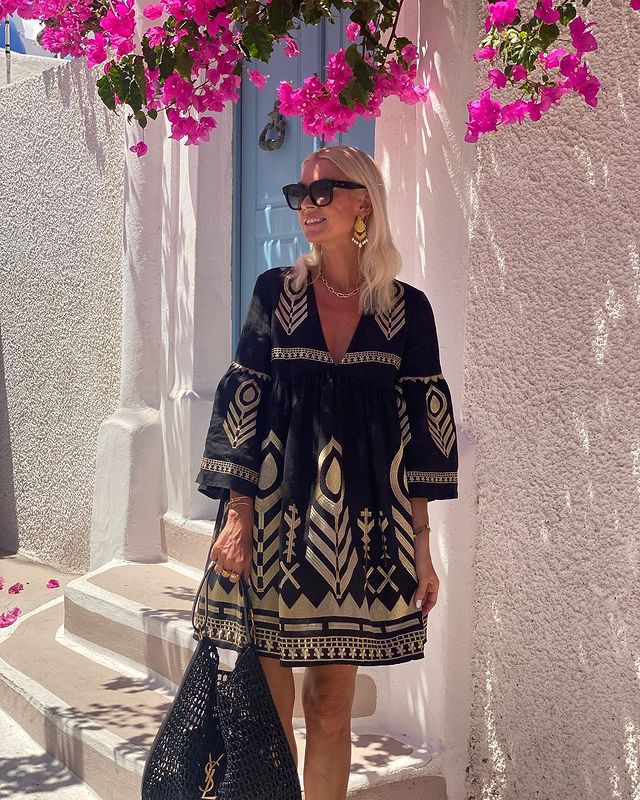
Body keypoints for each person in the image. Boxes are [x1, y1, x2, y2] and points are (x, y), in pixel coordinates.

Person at [194, 144, 459, 800]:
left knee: (333, 704)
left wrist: (423, 547)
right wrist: (236, 516)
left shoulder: (408, 310)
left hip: (363, 534)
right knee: (269, 710)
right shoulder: (275, 292)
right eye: (299, 194)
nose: (306, 205)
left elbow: (422, 431)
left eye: (322, 192)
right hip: (275, 522)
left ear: (362, 202)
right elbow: (245, 401)